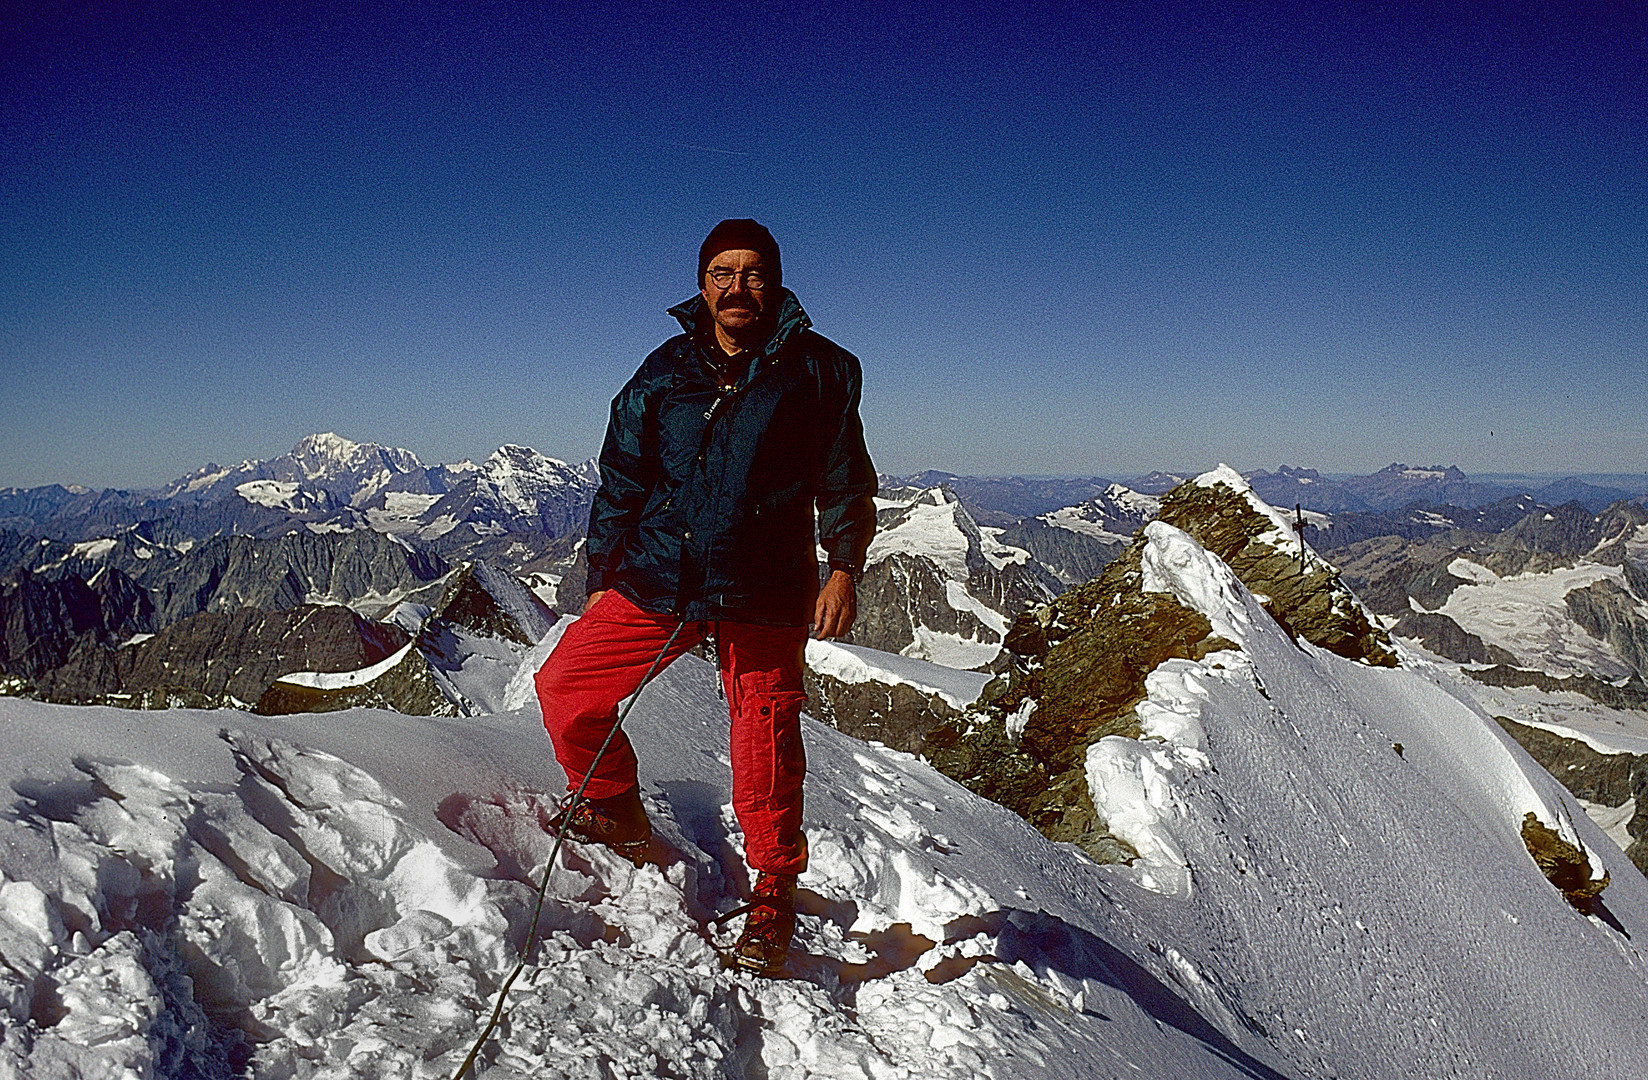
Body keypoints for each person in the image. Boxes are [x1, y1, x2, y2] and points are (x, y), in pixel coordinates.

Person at [534, 219, 877, 975]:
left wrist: (844, 566)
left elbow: (844, 478)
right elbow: (621, 478)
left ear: (776, 284)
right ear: (702, 283)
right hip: (660, 576)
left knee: (765, 741)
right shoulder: (661, 373)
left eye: (754, 274)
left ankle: (773, 889)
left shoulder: (818, 371)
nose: (738, 287)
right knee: (565, 686)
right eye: (723, 273)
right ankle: (615, 805)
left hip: (762, 588)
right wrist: (602, 578)